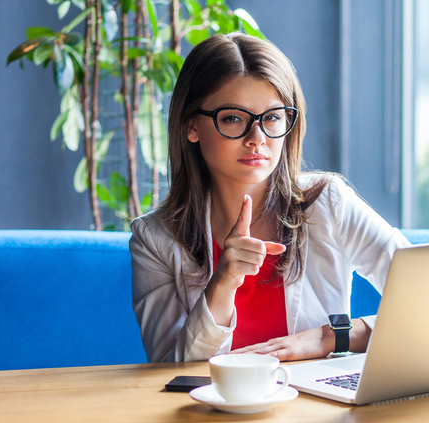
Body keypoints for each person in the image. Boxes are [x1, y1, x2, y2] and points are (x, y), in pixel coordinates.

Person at [129, 32, 410, 363]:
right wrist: (223, 283)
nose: (256, 138)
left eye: (272, 117)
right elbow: (167, 368)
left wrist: (331, 337)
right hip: (212, 412)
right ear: (191, 126)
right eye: (233, 118)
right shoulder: (156, 238)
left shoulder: (328, 203)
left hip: (320, 408)